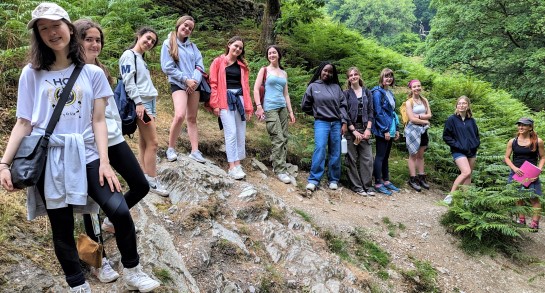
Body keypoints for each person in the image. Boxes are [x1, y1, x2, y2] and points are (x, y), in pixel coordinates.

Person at [0, 3, 159, 292]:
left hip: (86, 154)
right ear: (38, 35)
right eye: (43, 28)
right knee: (60, 226)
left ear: (69, 28)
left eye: (55, 25)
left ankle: (133, 269)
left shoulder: (93, 74)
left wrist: (105, 161)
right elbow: (24, 122)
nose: (51, 32)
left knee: (119, 211)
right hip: (51, 159)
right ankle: (77, 284)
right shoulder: (31, 74)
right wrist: (4, 163)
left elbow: (98, 120)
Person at [74, 19, 151, 283]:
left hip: (114, 138)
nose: (95, 44)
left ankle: (111, 221)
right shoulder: (71, 72)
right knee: (89, 206)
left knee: (141, 185)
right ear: (76, 40)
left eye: (98, 40)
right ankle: (98, 260)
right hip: (89, 145)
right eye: (89, 39)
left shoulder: (101, 70)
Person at [119, 27, 168, 196]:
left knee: (145, 142)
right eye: (147, 38)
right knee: (153, 143)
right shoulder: (129, 55)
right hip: (142, 103)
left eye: (153, 42)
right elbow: (128, 81)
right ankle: (152, 181)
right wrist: (139, 103)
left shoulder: (141, 58)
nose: (149, 43)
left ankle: (146, 175)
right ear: (139, 36)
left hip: (149, 102)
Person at [161, 15, 206, 163]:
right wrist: (186, 80)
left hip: (194, 84)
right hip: (179, 83)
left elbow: (200, 66)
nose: (187, 29)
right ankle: (171, 148)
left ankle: (195, 150)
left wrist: (194, 81)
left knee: (192, 118)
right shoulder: (168, 43)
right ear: (179, 24)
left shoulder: (193, 47)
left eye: (190, 28)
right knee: (180, 115)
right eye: (185, 25)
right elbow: (167, 67)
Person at [209, 36, 254, 180]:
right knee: (231, 132)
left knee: (241, 132)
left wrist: (248, 107)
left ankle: (238, 163)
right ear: (229, 45)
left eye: (240, 48)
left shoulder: (242, 66)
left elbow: (246, 87)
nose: (238, 49)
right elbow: (213, 83)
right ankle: (231, 167)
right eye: (236, 46)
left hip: (240, 99)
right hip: (225, 99)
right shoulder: (218, 62)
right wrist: (215, 104)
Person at [301, 61, 348, 192]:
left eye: (330, 71)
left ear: (333, 74)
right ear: (321, 70)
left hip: (336, 123)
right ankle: (314, 179)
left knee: (335, 151)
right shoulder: (313, 86)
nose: (327, 73)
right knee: (320, 148)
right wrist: (317, 113)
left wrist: (344, 122)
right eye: (325, 70)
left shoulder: (336, 88)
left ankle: (333, 179)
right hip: (321, 122)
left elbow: (343, 106)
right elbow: (305, 106)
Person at [253, 45, 296, 184]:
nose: (271, 55)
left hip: (282, 107)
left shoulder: (284, 73)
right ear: (268, 56)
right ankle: (280, 170)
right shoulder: (264, 70)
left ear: (278, 55)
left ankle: (281, 165)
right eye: (269, 53)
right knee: (277, 137)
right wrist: (259, 107)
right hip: (270, 107)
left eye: (274, 52)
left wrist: (290, 111)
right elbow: (255, 89)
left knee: (284, 137)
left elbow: (286, 93)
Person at [504, 118, 545, 231]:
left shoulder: (538, 141)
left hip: (531, 174)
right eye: (519, 125)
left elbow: (542, 157)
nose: (521, 127)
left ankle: (535, 224)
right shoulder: (512, 141)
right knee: (518, 197)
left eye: (524, 125)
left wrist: (538, 170)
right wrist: (514, 168)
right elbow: (506, 157)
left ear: (530, 127)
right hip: (516, 172)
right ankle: (521, 220)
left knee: (534, 198)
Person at [342, 67, 375, 196]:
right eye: (351, 75)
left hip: (365, 127)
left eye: (355, 74)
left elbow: (371, 111)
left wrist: (368, 129)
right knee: (351, 158)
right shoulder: (345, 94)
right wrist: (353, 130)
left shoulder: (367, 92)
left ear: (359, 75)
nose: (353, 76)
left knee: (367, 158)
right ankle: (356, 186)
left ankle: (367, 186)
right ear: (348, 78)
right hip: (351, 130)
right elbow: (344, 112)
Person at [442, 96, 480, 204]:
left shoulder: (471, 121)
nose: (461, 105)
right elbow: (446, 136)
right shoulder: (452, 119)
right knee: (465, 171)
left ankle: (465, 199)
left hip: (471, 151)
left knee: (469, 175)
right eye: (459, 103)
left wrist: (475, 144)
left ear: (468, 106)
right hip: (458, 150)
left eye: (464, 103)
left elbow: (476, 135)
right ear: (456, 105)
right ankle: (451, 195)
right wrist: (457, 145)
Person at [371, 68, 401, 195]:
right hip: (382, 129)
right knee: (380, 156)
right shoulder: (377, 93)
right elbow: (378, 113)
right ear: (381, 78)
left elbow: (392, 113)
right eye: (386, 76)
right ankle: (378, 183)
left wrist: (397, 129)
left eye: (390, 77)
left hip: (391, 128)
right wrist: (385, 130)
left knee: (386, 156)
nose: (388, 79)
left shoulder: (389, 93)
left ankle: (386, 180)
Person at [404, 79, 432, 192]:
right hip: (413, 131)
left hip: (423, 130)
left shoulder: (424, 100)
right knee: (413, 154)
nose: (417, 88)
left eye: (418, 86)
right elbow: (411, 118)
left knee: (421, 154)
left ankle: (421, 176)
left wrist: (419, 117)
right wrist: (424, 121)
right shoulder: (409, 102)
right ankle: (413, 178)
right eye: (414, 87)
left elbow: (429, 114)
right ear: (411, 89)